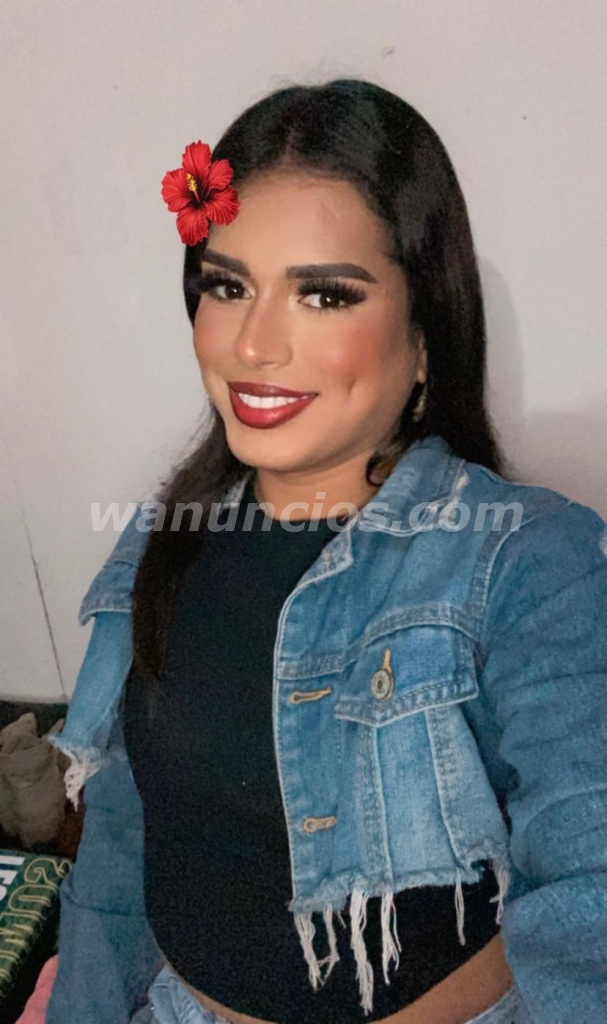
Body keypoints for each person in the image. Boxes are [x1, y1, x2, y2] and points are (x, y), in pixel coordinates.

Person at [45, 78, 607, 1024]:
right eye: (227, 286)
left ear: (423, 336)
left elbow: (590, 883)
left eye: (322, 294)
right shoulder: (157, 545)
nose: (252, 346)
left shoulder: (528, 560)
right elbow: (122, 856)